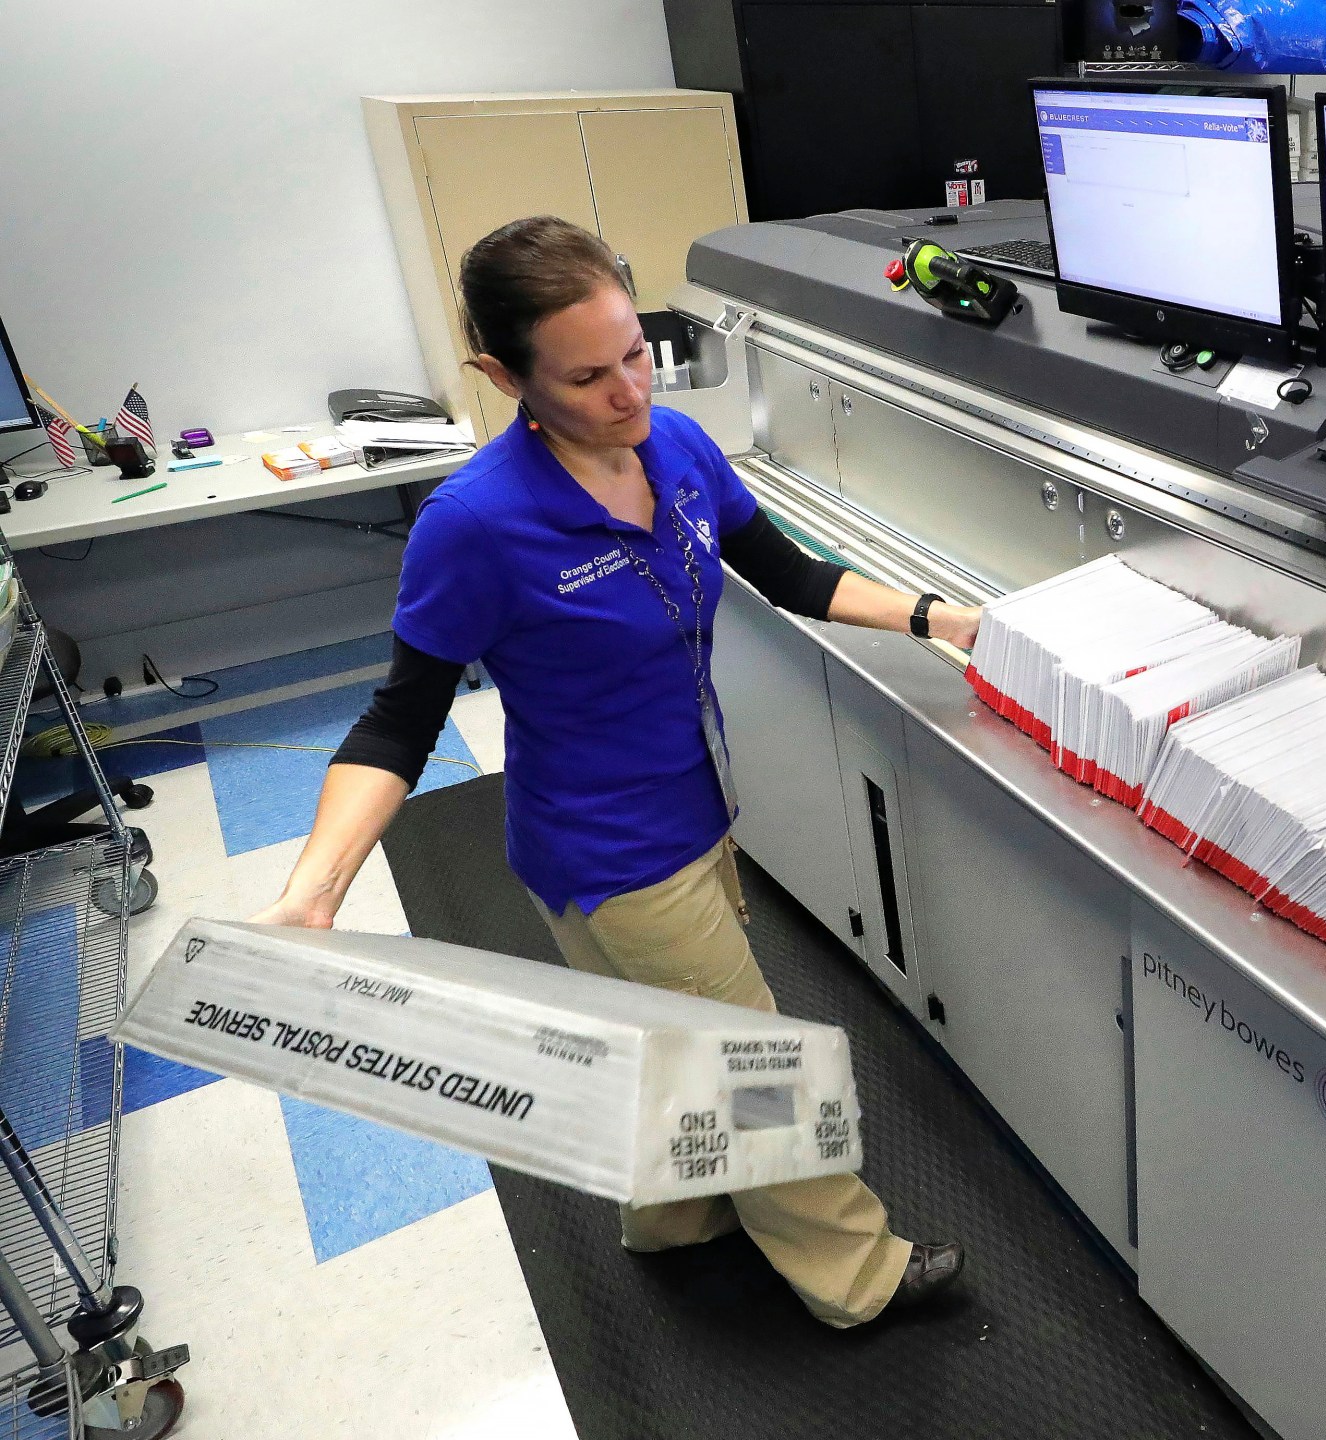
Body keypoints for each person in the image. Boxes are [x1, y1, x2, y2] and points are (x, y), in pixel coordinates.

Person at [250, 215, 973, 1327]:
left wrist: (942, 620)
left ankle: (677, 1217)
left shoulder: (676, 446)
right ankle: (857, 1279)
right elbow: (400, 721)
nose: (628, 392)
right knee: (758, 1069)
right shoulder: (476, 525)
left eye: (635, 352)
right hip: (612, 849)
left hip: (693, 808)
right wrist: (314, 892)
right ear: (503, 375)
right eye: (586, 376)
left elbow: (787, 572)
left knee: (666, 1036)